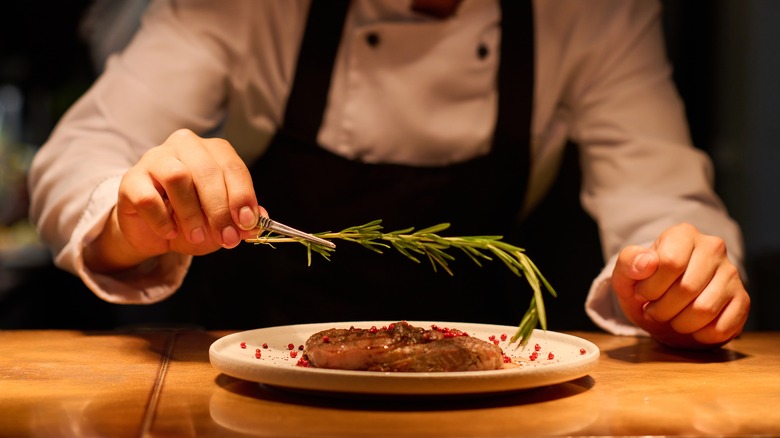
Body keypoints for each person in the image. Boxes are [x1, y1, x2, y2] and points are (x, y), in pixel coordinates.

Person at [28, 0, 749, 348]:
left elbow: (661, 196)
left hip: (496, 393)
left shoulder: (595, 13)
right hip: (251, 385)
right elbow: (79, 154)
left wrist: (678, 282)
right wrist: (134, 215)